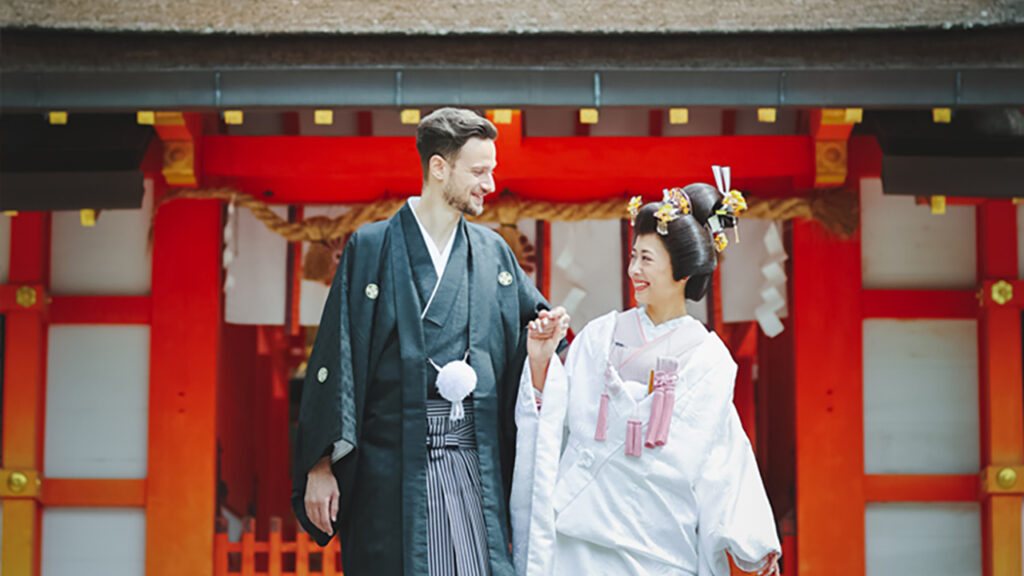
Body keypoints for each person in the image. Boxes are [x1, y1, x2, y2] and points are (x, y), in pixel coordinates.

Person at [292, 107, 567, 576]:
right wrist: (320, 463)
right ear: (439, 168)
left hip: (474, 460)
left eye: (492, 171)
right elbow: (337, 356)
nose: (490, 184)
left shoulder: (493, 252)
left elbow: (534, 343)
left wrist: (540, 347)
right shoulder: (371, 247)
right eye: (479, 171)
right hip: (391, 467)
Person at [511, 173, 781, 576]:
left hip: (661, 545)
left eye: (647, 259)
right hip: (579, 538)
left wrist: (752, 540)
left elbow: (726, 457)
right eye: (634, 255)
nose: (634, 268)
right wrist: (539, 362)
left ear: (683, 271)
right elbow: (554, 419)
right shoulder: (600, 335)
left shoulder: (709, 360)